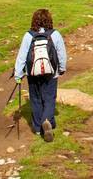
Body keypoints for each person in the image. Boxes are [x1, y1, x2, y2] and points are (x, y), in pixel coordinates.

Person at [14, 8, 67, 142]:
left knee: (36, 99)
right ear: (49, 20)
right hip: (51, 73)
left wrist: (18, 74)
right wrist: (61, 68)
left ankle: (38, 129)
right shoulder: (55, 35)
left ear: (34, 21)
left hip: (33, 73)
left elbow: (22, 56)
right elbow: (61, 53)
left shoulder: (28, 36)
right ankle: (47, 121)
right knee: (49, 98)